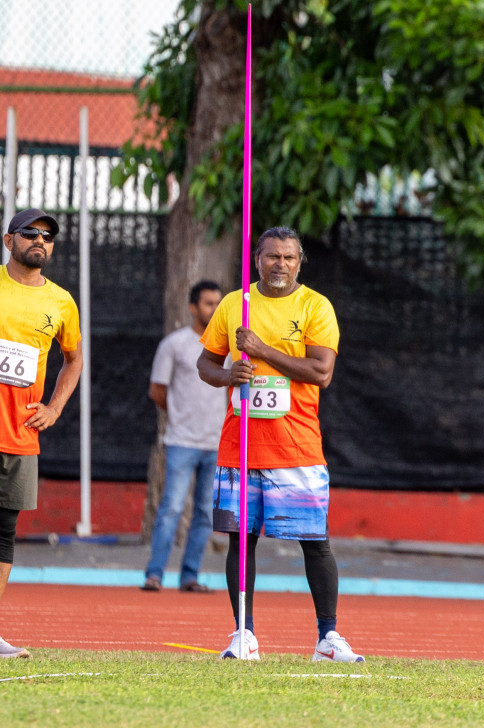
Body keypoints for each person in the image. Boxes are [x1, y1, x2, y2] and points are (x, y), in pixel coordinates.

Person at [197, 226, 359, 663]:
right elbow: (206, 364)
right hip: (241, 445)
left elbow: (321, 372)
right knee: (240, 540)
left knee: (314, 541)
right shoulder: (235, 305)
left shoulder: (315, 306)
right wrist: (228, 374)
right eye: (272, 257)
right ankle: (243, 634)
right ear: (257, 259)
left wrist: (261, 349)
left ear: (300, 261)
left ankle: (328, 637)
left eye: (289, 258)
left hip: (296, 446)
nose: (280, 265)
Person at [0, 210, 82, 660]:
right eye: (31, 233)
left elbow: (73, 359)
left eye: (48, 236)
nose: (40, 240)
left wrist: (54, 407)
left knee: (4, 533)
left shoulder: (62, 302)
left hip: (20, 435)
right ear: (9, 239)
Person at [141, 280, 226, 594]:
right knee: (172, 508)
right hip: (181, 441)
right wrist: (179, 416)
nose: (214, 309)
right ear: (193, 307)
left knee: (205, 511)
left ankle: (189, 576)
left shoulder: (228, 347)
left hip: (216, 444)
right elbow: (157, 391)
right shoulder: (174, 344)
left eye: (218, 303)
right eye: (208, 303)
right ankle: (154, 575)